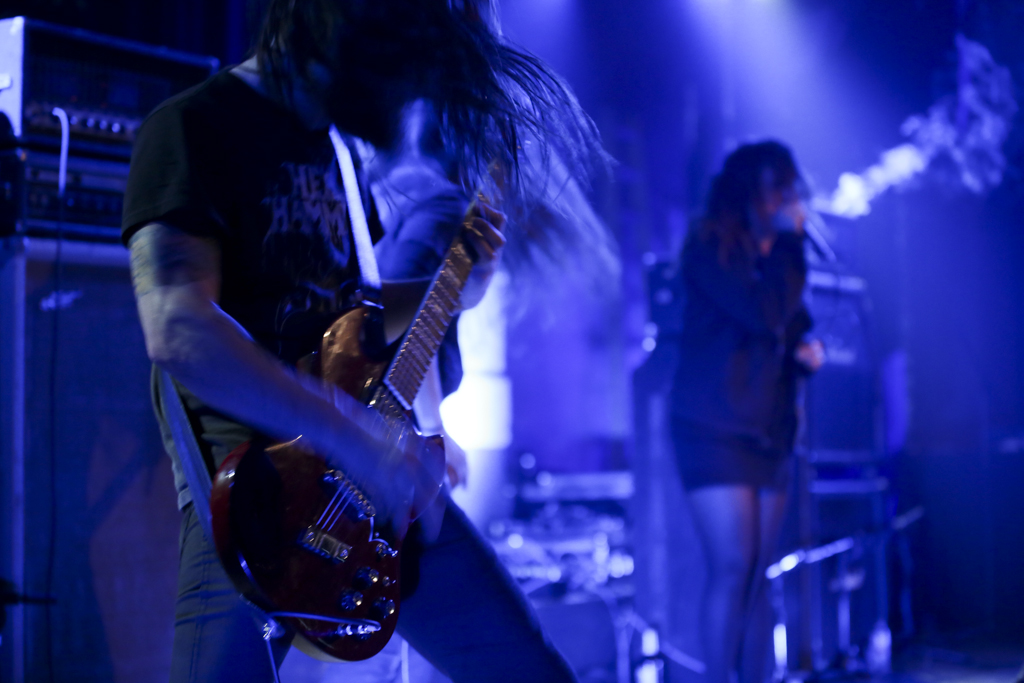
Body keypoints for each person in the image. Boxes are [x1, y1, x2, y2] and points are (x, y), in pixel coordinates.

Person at [121, 0, 604, 681]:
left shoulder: (340, 157)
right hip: (254, 504)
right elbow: (178, 327)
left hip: (372, 496)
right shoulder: (191, 128)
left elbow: (353, 324)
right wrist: (351, 435)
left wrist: (451, 291)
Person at [670, 141, 825, 683]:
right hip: (712, 427)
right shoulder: (709, 249)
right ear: (748, 193)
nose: (787, 200)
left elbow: (792, 326)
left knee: (759, 571)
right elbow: (763, 316)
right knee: (733, 564)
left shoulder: (773, 259)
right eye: (775, 187)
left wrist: (809, 353)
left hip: (767, 431)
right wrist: (791, 243)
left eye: (790, 188)